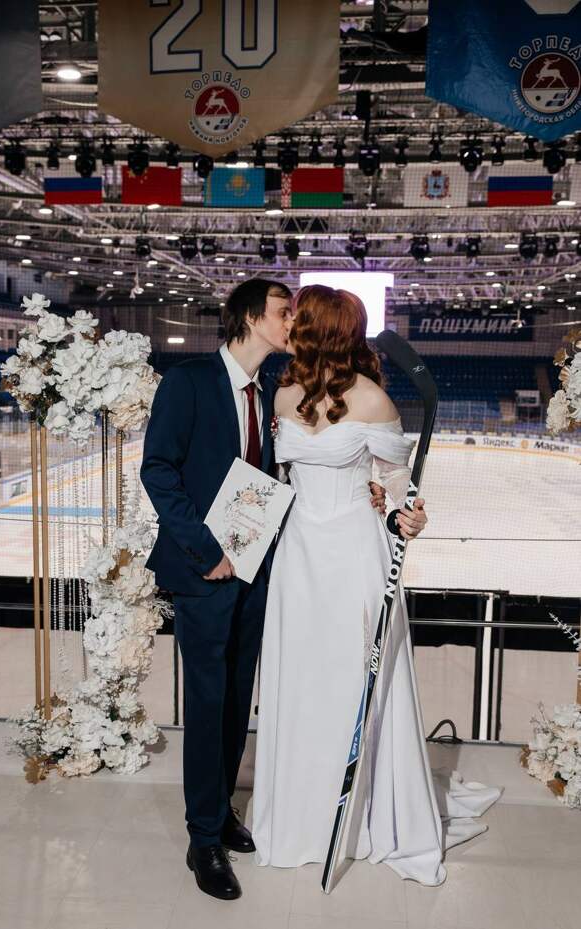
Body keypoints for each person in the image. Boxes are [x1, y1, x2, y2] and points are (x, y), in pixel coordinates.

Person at [141, 278, 386, 901]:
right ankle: (203, 840)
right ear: (251, 318)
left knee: (235, 700)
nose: (292, 322)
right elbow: (158, 471)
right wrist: (207, 551)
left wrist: (370, 488)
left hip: (259, 571)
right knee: (206, 703)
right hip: (203, 571)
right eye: (283, 313)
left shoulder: (272, 391)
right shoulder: (190, 381)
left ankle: (220, 809)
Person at [251, 285, 502, 884]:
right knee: (301, 677)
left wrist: (406, 515)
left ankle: (366, 809)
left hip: (354, 555)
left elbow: (395, 485)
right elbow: (276, 478)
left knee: (351, 677)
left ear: (317, 329)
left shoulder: (373, 400)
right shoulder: (281, 395)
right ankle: (300, 814)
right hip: (297, 556)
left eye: (298, 318)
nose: (290, 325)